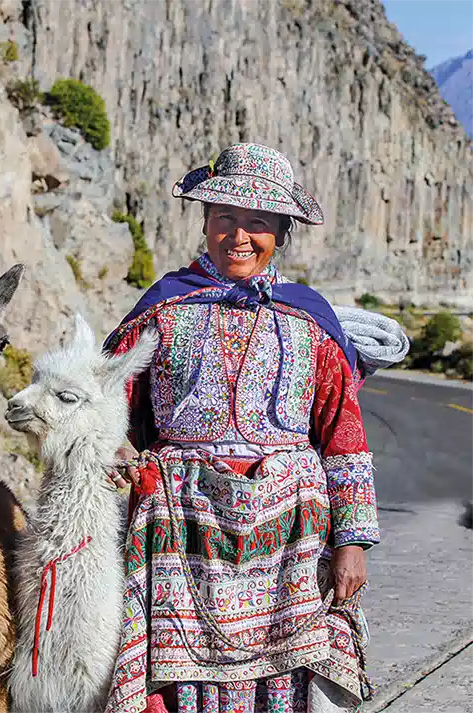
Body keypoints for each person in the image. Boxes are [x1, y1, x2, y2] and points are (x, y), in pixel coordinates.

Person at [104, 144, 379, 713]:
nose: (239, 236)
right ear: (204, 222)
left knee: (294, 676)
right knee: (179, 684)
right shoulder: (160, 312)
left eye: (258, 223)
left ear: (281, 233)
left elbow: (343, 435)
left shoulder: (310, 321)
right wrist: (121, 461)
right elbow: (111, 411)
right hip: (181, 528)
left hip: (292, 533)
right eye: (225, 218)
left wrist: (351, 542)